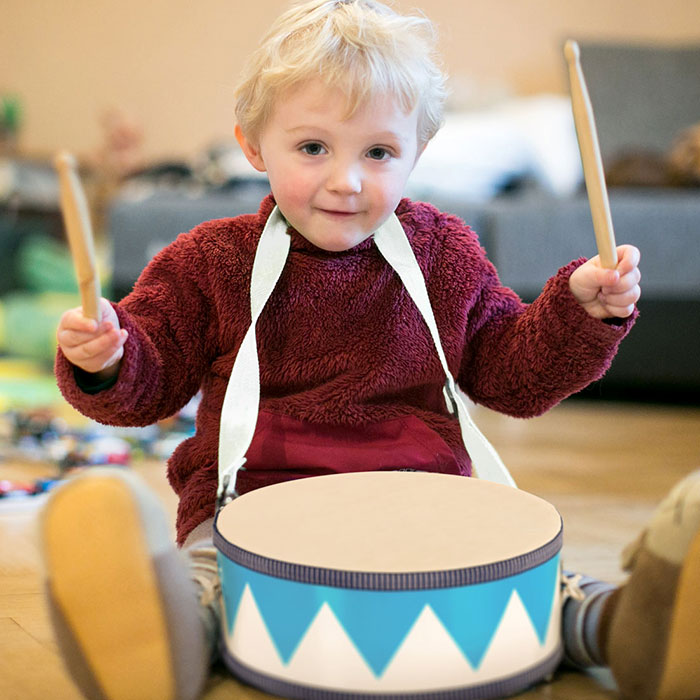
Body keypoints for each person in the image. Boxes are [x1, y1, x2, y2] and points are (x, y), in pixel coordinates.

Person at [40, 1, 697, 699]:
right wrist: (108, 357)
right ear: (254, 146)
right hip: (256, 508)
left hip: (425, 505)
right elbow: (152, 373)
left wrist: (577, 312)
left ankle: (632, 627)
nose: (347, 180)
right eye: (313, 148)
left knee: (541, 583)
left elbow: (513, 375)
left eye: (378, 152)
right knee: (213, 584)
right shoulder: (208, 262)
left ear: (418, 151)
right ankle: (155, 640)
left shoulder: (444, 251)